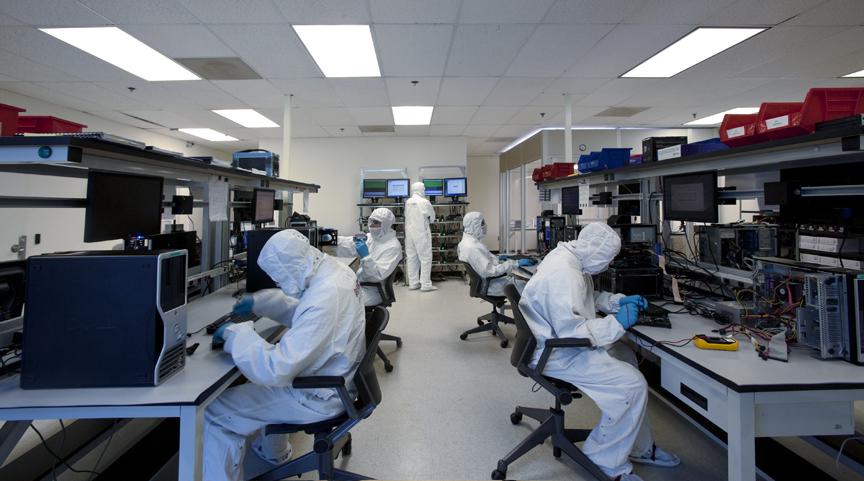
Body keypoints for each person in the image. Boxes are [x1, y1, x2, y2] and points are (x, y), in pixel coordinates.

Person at [519, 222, 680, 481]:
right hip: (557, 352)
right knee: (632, 386)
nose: (609, 264)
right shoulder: (564, 273)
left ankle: (639, 447)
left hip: (559, 342)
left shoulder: (571, 259)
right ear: (597, 252)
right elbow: (573, 332)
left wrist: (617, 301)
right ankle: (605, 462)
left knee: (625, 355)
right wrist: (616, 323)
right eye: (609, 258)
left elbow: (585, 298)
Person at [203, 230, 366, 481]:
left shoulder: (325, 296)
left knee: (217, 413)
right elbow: (309, 317)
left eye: (278, 275)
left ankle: (269, 455)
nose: (278, 281)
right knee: (260, 384)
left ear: (291, 267)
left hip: (317, 396)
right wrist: (262, 303)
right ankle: (274, 454)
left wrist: (235, 334)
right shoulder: (334, 273)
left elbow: (276, 369)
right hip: (337, 378)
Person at [337, 207, 403, 306]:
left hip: (372, 291)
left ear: (385, 224)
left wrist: (366, 257)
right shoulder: (373, 237)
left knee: (337, 301)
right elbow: (349, 243)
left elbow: (376, 276)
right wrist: (332, 239)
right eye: (371, 221)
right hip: (361, 284)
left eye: (376, 222)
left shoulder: (393, 247)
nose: (371, 225)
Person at [458, 211, 532, 296]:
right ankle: (519, 304)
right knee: (528, 287)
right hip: (491, 285)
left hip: (487, 281)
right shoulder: (473, 247)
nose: (485, 226)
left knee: (520, 280)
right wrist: (514, 263)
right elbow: (490, 271)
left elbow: (483, 261)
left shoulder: (466, 242)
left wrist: (498, 258)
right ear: (475, 225)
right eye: (482, 223)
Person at [404, 181, 436, 292]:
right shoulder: (424, 202)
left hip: (409, 234)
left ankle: (413, 283)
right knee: (425, 258)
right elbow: (432, 217)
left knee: (412, 258)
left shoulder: (408, 202)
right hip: (421, 234)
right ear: (421, 190)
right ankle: (426, 285)